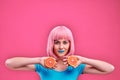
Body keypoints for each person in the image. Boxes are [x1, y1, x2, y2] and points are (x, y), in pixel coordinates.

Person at [5, 26, 114, 80]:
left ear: (70, 44)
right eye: (57, 42)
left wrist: (84, 59)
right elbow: (9, 63)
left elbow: (109, 69)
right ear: (51, 44)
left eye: (65, 42)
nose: (61, 47)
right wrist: (38, 60)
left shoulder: (76, 66)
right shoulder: (43, 65)